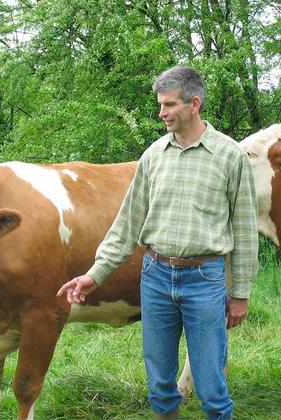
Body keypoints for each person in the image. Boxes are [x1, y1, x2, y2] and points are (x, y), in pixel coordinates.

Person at [57, 66, 258, 420]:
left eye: (169, 105)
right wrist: (95, 274)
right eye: (160, 104)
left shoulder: (230, 156)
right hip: (156, 277)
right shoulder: (153, 156)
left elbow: (244, 230)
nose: (161, 113)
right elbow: (127, 224)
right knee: (160, 383)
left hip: (206, 279)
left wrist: (240, 293)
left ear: (194, 104)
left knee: (211, 384)